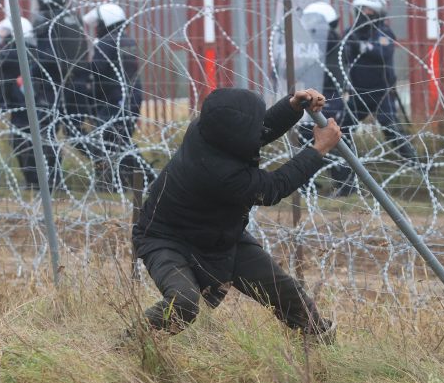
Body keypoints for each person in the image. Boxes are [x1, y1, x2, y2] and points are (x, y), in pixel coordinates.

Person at [131, 87, 341, 341]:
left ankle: (322, 342)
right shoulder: (221, 174)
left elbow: (255, 131)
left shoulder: (207, 130)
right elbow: (273, 188)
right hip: (165, 238)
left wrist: (292, 107)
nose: (259, 127)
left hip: (218, 234)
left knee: (285, 292)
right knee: (183, 302)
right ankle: (130, 346)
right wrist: (318, 150)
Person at [336, 0, 420, 195]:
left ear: (378, 13)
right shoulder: (351, 33)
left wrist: (361, 46)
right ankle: (346, 182)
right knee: (341, 133)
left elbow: (382, 52)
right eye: (361, 10)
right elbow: (342, 54)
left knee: (393, 132)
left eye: (369, 11)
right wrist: (358, 45)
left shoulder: (384, 32)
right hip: (358, 94)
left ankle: (420, 170)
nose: (364, 14)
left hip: (382, 94)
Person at [83, 3, 154, 191]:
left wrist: (85, 87)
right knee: (120, 141)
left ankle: (117, 182)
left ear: (106, 22)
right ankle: (141, 179)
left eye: (98, 24)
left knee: (108, 141)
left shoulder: (106, 43)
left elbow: (97, 71)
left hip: (114, 100)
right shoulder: (126, 40)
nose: (96, 28)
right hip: (130, 97)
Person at [30, 0, 92, 189]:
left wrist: (31, 75)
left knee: (46, 132)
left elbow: (44, 57)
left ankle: (51, 180)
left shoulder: (44, 20)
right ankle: (110, 165)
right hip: (77, 84)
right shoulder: (73, 18)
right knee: (75, 133)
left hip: (52, 86)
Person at [295, 1, 352, 191]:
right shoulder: (323, 39)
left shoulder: (328, 38)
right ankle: (309, 181)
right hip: (320, 92)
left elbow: (311, 62)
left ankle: (343, 183)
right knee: (313, 136)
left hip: (329, 94)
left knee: (326, 137)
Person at [0, 14, 38, 188]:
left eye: (8, 36)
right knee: (24, 142)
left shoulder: (18, 53)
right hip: (22, 105)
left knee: (23, 142)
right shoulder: (26, 50)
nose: (5, 40)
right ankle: (34, 181)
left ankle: (35, 181)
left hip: (23, 107)